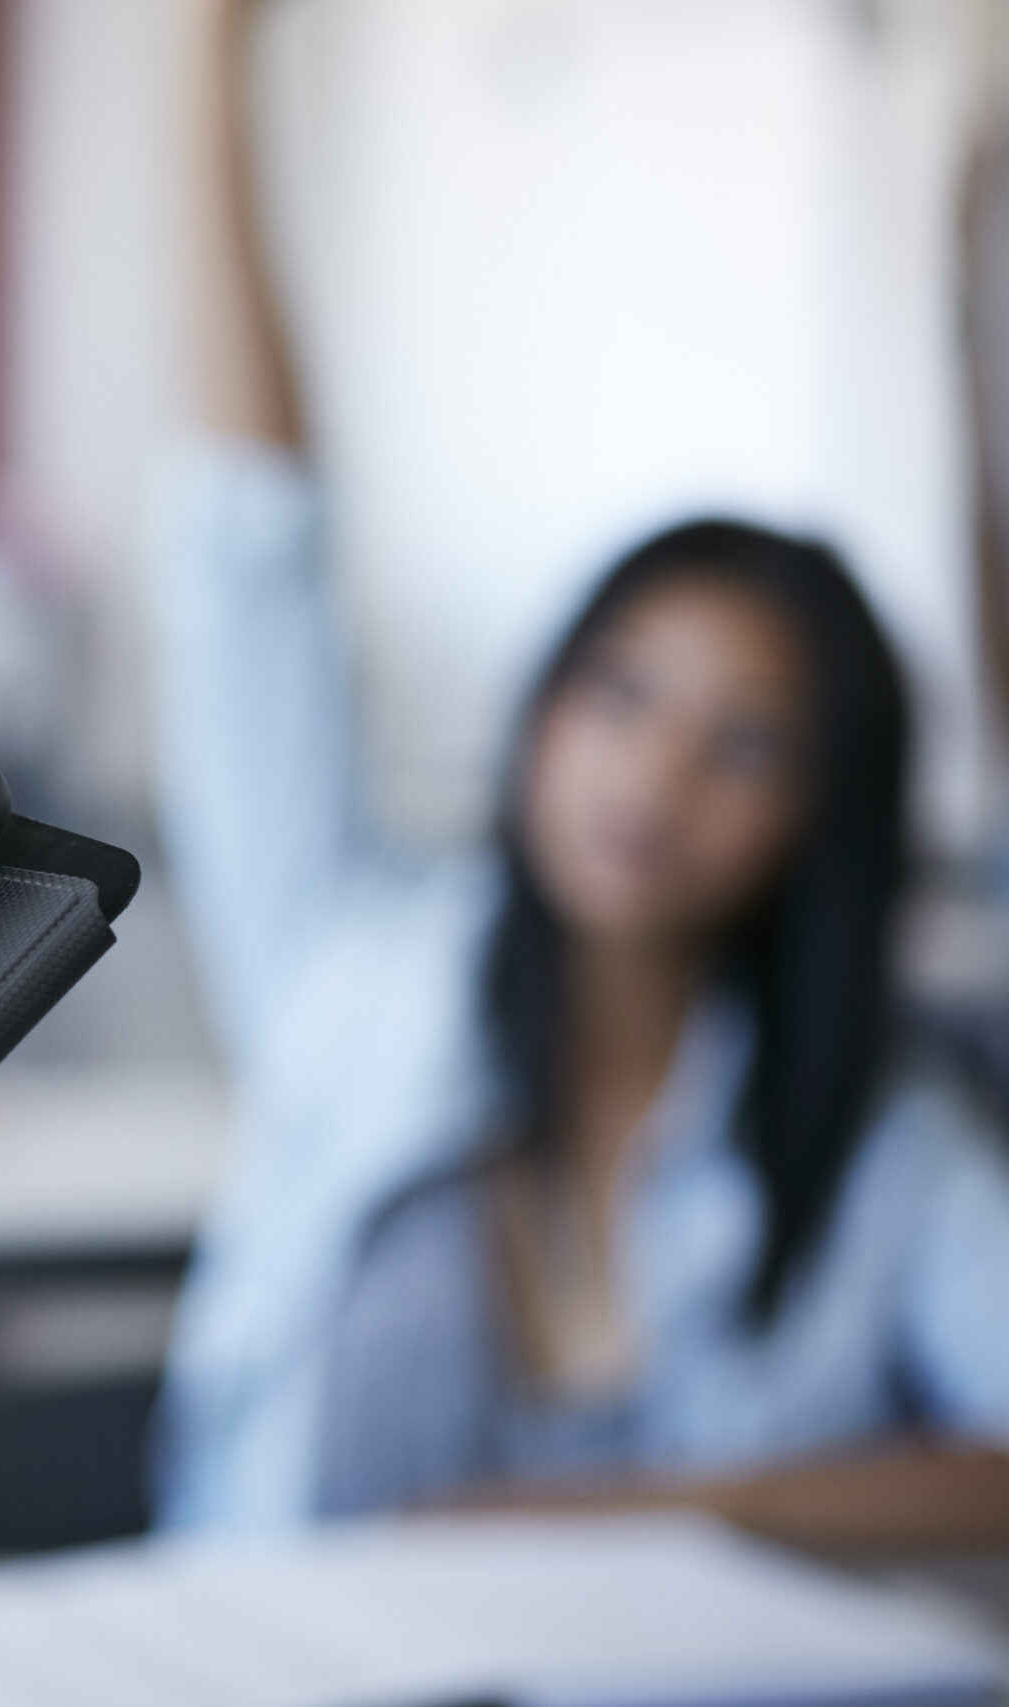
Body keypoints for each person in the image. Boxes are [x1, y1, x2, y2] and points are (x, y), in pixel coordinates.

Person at [153, 0, 1009, 1546]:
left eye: (746, 742)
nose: (654, 774)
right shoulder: (358, 976)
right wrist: (208, 66)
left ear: (821, 813)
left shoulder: (879, 1133)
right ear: (544, 710)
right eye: (619, 693)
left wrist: (669, 1507)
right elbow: (249, 562)